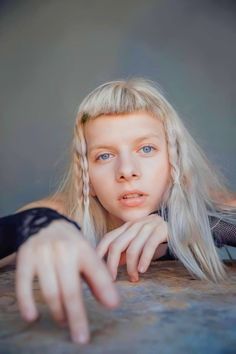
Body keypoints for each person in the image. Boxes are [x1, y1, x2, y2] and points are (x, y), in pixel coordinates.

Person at [0, 78, 235, 344]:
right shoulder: (64, 211)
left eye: (146, 149)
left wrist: (183, 223)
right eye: (104, 156)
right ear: (87, 180)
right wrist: (37, 226)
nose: (126, 170)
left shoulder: (207, 204)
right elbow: (27, 221)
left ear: (175, 164)